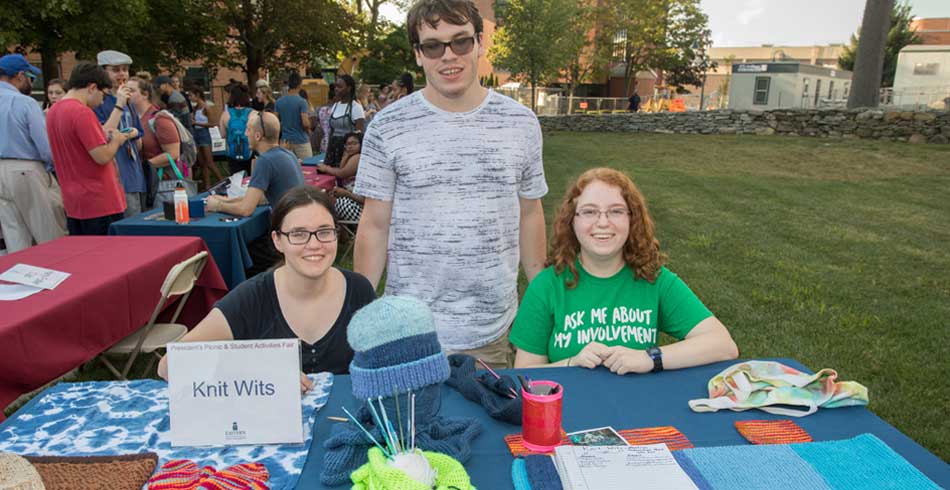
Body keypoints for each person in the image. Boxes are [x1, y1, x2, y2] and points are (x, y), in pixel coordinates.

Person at [353, 0, 548, 369]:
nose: (449, 56)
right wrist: (360, 309)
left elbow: (530, 212)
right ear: (418, 55)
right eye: (433, 45)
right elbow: (374, 225)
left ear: (479, 43)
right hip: (409, 335)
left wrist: (542, 298)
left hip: (494, 333)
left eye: (460, 42)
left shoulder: (521, 124)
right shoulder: (386, 127)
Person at [509, 168, 739, 374]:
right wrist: (572, 363)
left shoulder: (653, 279)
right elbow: (525, 373)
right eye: (589, 212)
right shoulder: (547, 285)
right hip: (568, 411)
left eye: (616, 211)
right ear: (572, 221)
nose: (602, 222)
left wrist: (649, 358)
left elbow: (722, 344)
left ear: (632, 220)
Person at [157, 186, 377, 385]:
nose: (314, 244)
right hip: (271, 425)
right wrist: (257, 370)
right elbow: (169, 366)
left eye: (324, 231)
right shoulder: (253, 297)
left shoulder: (359, 291)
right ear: (277, 240)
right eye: (298, 234)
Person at [46, 62, 136, 235]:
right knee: (108, 256)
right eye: (103, 95)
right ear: (92, 87)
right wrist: (117, 140)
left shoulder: (53, 111)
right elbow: (102, 156)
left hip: (74, 201)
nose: (102, 101)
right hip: (100, 201)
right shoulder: (82, 112)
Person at [0, 54, 66, 252]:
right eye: (31, 77)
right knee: (49, 233)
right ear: (20, 75)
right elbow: (45, 147)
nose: (31, 82)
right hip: (26, 169)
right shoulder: (25, 102)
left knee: (15, 239)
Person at [206, 110, 303, 217]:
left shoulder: (265, 161)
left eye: (248, 129)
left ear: (258, 136)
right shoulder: (288, 154)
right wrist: (228, 201)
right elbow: (261, 198)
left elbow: (246, 210)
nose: (245, 133)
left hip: (289, 225)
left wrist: (217, 205)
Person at [93, 50, 147, 217]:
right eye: (115, 70)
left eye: (125, 69)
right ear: (103, 72)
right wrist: (119, 104)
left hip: (134, 172)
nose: (122, 73)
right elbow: (102, 134)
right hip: (116, 173)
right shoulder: (98, 100)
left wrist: (132, 133)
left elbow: (139, 130)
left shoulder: (127, 98)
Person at [127, 77, 180, 198]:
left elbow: (173, 154)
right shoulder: (131, 118)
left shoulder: (160, 119)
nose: (127, 94)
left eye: (131, 90)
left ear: (145, 94)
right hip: (143, 183)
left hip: (162, 185)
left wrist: (143, 167)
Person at [317, 132, 363, 222]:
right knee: (328, 195)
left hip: (360, 208)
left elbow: (342, 173)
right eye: (347, 144)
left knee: (325, 201)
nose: (350, 146)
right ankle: (341, 230)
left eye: (354, 143)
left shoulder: (358, 157)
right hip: (355, 199)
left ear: (361, 144)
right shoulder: (352, 156)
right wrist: (346, 156)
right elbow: (342, 168)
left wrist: (326, 168)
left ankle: (333, 227)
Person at [188, 87, 225, 189]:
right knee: (202, 163)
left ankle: (222, 180)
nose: (190, 98)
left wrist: (197, 123)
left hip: (204, 134)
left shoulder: (206, 108)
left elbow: (212, 123)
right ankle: (207, 185)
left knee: (209, 162)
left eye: (191, 95)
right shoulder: (195, 108)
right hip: (197, 134)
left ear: (197, 95)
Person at [324, 75, 364, 167]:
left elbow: (359, 135)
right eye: (336, 86)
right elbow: (332, 131)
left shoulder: (356, 107)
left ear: (349, 88)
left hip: (347, 151)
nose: (336, 89)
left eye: (340, 87)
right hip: (333, 149)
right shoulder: (335, 106)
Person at [275, 72, 313, 159]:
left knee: (287, 168)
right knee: (307, 167)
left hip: (285, 141)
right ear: (300, 84)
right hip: (301, 140)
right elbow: (305, 123)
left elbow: (275, 122)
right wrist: (309, 128)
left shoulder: (279, 101)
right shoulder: (302, 102)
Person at [217, 84, 254, 176]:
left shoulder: (225, 114)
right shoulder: (253, 113)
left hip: (233, 153)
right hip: (250, 152)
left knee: (236, 181)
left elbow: (223, 135)